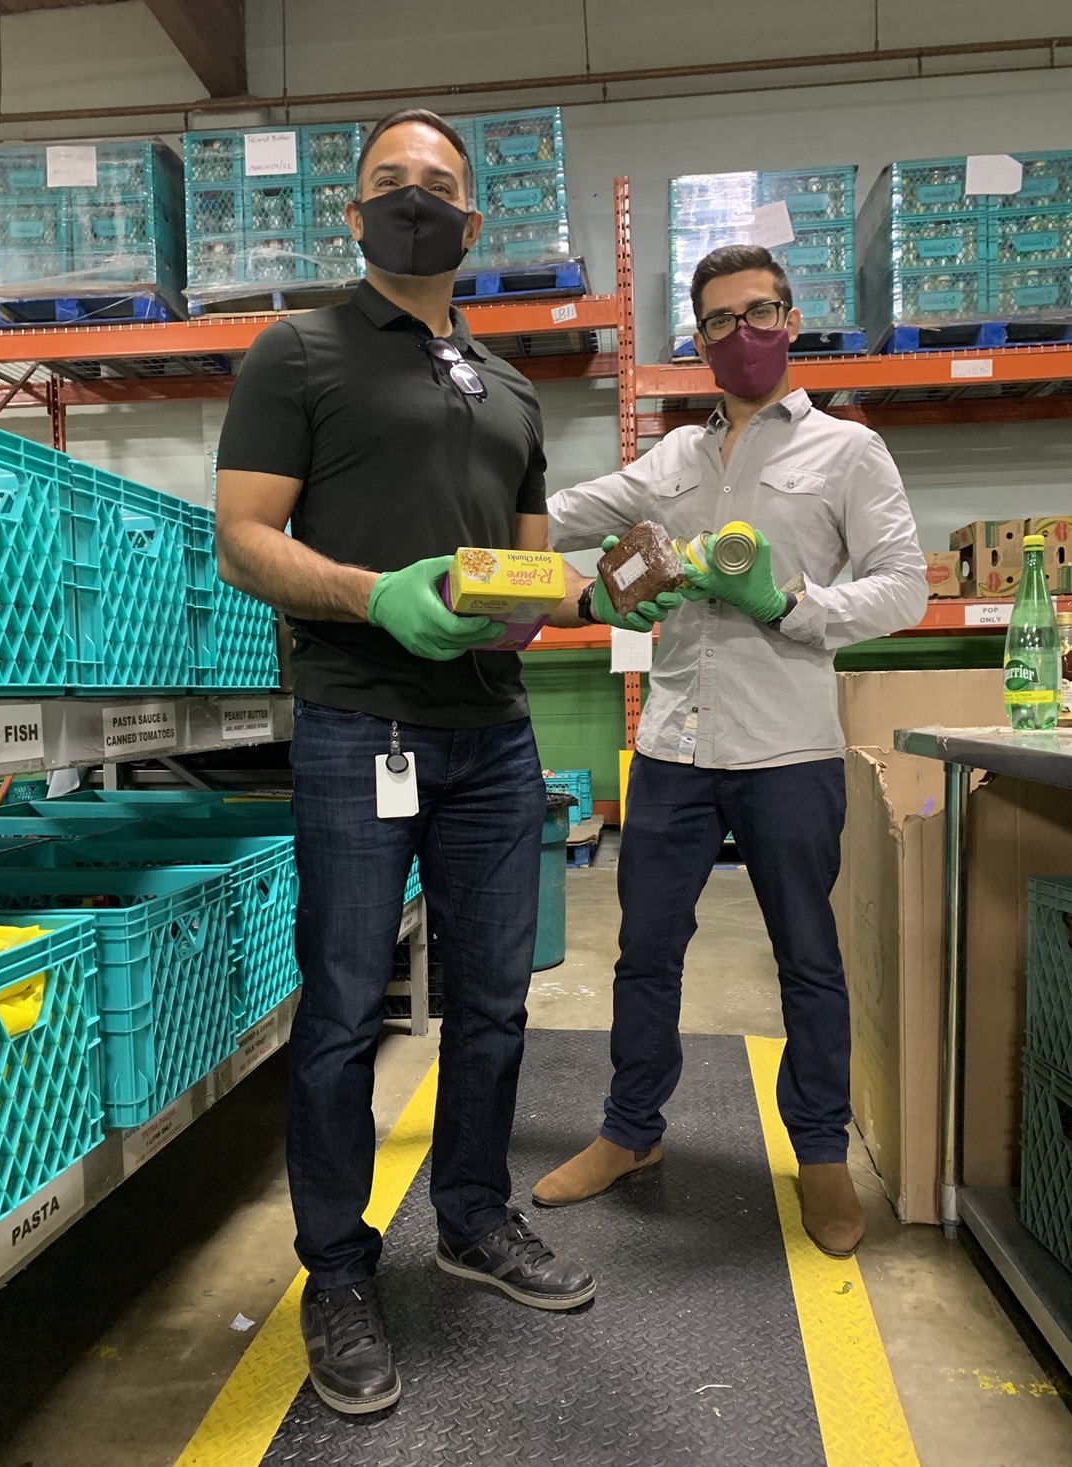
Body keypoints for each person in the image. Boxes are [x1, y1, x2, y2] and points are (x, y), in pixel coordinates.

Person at [214, 109, 659, 1415]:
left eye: (441, 186)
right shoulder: (297, 350)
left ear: (476, 221)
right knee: (348, 1003)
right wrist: (368, 592)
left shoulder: (512, 389)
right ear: (352, 214)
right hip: (361, 723)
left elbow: (526, 574)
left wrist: (601, 598)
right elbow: (243, 535)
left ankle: (472, 1215)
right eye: (391, 183)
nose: (418, 200)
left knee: (496, 997)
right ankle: (339, 1267)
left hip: (492, 731)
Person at [533, 244, 928, 1259]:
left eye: (757, 313)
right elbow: (562, 519)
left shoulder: (846, 452)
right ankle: (630, 1132)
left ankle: (820, 1153)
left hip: (786, 748)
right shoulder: (672, 459)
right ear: (697, 340)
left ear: (790, 320)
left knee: (808, 962)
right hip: (671, 744)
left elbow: (901, 588)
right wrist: (467, 518)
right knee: (644, 954)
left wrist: (790, 604)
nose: (739, 334)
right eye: (717, 321)